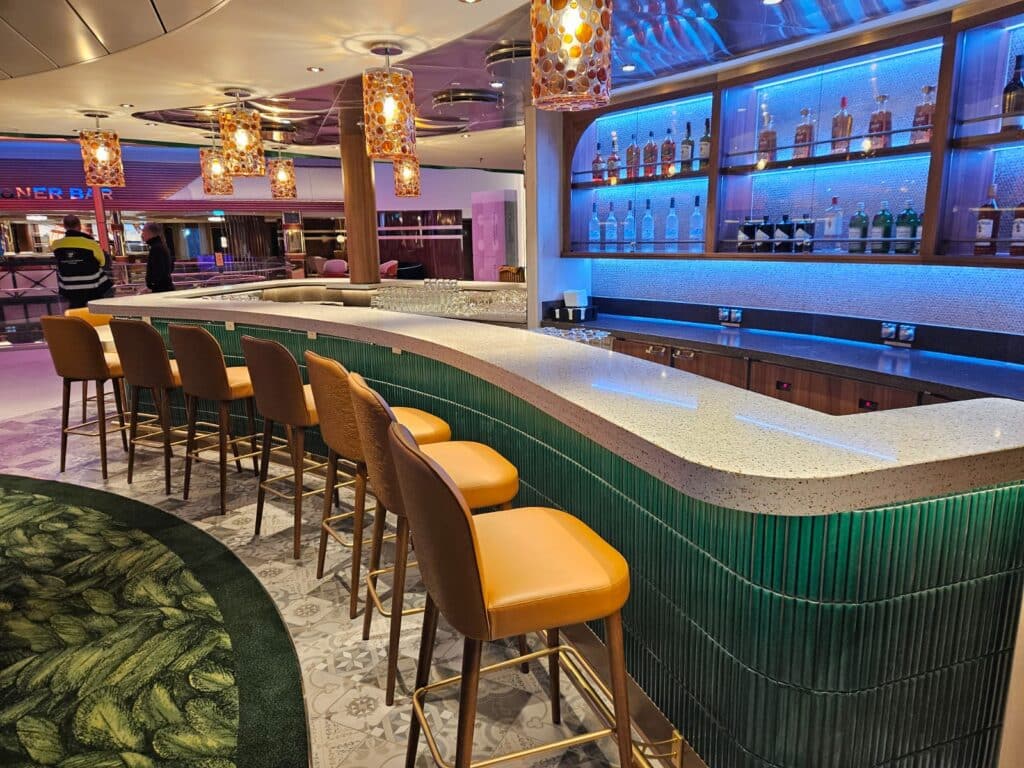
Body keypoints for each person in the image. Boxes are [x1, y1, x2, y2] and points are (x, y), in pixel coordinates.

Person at [52, 214, 114, 310]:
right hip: (93, 287)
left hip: (69, 288)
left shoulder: (56, 245)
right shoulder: (90, 243)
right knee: (98, 310)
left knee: (75, 311)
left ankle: (76, 323)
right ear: (79, 226)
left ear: (64, 226)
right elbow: (103, 262)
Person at [143, 222, 174, 293]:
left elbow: (159, 271)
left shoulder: (156, 248)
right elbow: (171, 267)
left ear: (149, 233)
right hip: (164, 287)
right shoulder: (161, 245)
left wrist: (151, 285)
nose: (142, 234)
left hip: (161, 289)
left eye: (143, 231)